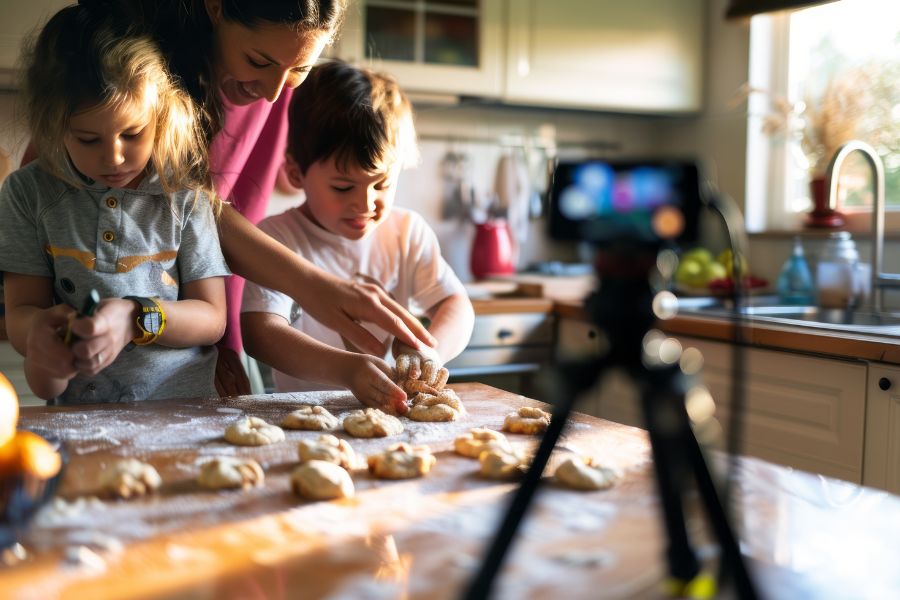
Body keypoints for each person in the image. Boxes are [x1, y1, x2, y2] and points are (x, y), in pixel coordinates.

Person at [121, 0, 438, 396]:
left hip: (205, 311)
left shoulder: (278, 75)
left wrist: (224, 339)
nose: (272, 93)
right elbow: (183, 205)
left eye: (300, 70)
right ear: (216, 7)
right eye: (258, 61)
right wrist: (315, 287)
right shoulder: (144, 67)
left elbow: (228, 219)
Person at [0, 4, 229, 403]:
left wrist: (135, 317)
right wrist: (39, 336)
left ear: (160, 114)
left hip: (180, 412)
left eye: (133, 133)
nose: (114, 158)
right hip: (82, 417)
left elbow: (212, 318)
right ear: (54, 126)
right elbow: (21, 311)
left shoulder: (185, 196)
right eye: (88, 139)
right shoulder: (27, 193)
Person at [240, 61, 475, 413]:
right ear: (295, 172)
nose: (365, 203)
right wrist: (346, 370)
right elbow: (260, 333)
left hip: (394, 416)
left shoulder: (407, 233)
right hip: (304, 416)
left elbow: (457, 305)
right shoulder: (276, 238)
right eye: (343, 186)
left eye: (382, 183)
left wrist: (428, 351)